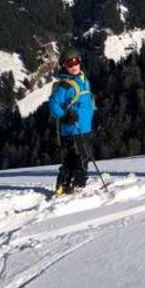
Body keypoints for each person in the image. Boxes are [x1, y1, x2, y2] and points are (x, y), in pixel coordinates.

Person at [48, 47, 96, 196]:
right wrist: (64, 117)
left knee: (72, 158)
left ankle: (62, 185)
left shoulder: (84, 80)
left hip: (84, 127)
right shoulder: (65, 85)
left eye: (76, 62)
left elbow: (87, 102)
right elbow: (53, 104)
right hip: (73, 129)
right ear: (64, 66)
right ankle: (78, 184)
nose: (73, 66)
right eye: (69, 64)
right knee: (82, 157)